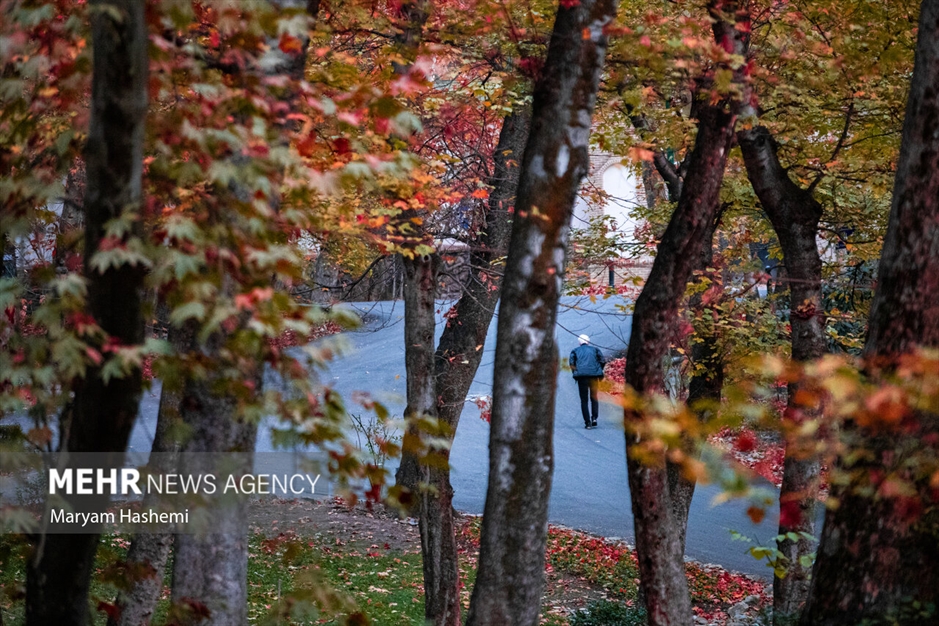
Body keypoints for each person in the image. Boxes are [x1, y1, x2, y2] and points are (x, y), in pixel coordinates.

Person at [569, 334, 605, 429]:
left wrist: (576, 372)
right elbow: (602, 360)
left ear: (579, 342)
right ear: (588, 341)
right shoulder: (595, 350)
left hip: (582, 377)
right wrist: (598, 370)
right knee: (594, 397)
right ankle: (594, 418)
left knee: (584, 400)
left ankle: (587, 422)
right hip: (593, 376)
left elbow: (571, 363)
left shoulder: (575, 351)